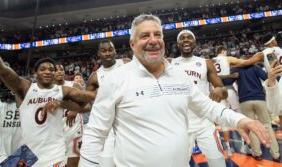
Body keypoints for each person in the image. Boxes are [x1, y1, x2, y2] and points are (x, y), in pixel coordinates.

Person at [80, 14, 270, 167]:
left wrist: (240, 119)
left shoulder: (179, 75)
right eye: (145, 36)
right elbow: (95, 134)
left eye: (158, 35)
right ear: (132, 44)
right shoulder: (115, 79)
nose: (153, 41)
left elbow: (207, 107)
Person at [0, 13, 95, 167]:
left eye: (51, 69)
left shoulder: (62, 90)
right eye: (43, 69)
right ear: (35, 73)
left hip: (56, 154)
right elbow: (1, 69)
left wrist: (62, 104)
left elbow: (86, 104)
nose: (47, 71)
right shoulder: (26, 88)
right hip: (29, 155)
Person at [170, 30, 227, 166]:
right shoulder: (169, 63)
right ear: (178, 44)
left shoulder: (205, 63)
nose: (186, 40)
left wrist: (220, 89)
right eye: (182, 38)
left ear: (194, 42)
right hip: (180, 124)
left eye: (189, 38)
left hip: (204, 121)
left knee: (218, 162)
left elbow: (224, 91)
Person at [84, 39, 130, 167]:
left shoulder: (126, 63)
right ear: (98, 54)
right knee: (107, 163)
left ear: (115, 51)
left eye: (110, 50)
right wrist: (72, 109)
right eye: (104, 51)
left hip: (131, 121)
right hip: (109, 126)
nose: (108, 53)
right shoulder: (95, 77)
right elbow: (85, 103)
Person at [223, 64, 280, 161]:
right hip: (259, 98)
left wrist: (227, 74)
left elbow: (226, 82)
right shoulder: (255, 67)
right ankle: (275, 154)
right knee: (267, 125)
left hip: (245, 101)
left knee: (251, 127)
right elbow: (267, 77)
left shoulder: (237, 69)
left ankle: (257, 153)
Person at [54, 63, 88, 167]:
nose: (60, 71)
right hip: (55, 129)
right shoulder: (47, 89)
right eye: (56, 70)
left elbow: (87, 106)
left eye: (62, 69)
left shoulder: (73, 85)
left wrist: (76, 110)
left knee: (74, 158)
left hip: (74, 128)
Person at [212, 46, 244, 156]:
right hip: (228, 88)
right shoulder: (227, 58)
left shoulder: (211, 61)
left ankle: (228, 148)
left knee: (222, 119)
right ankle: (244, 145)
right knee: (239, 114)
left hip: (217, 90)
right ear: (223, 51)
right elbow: (242, 62)